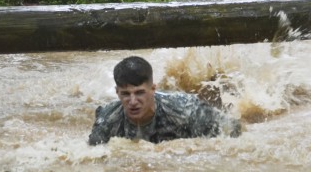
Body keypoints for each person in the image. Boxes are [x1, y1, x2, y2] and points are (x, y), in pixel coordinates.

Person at [88, 56, 241, 145]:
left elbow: (233, 129)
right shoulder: (107, 118)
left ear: (153, 89)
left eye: (139, 93)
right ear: (117, 92)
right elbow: (92, 154)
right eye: (126, 94)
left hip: (190, 109)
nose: (133, 101)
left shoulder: (186, 110)